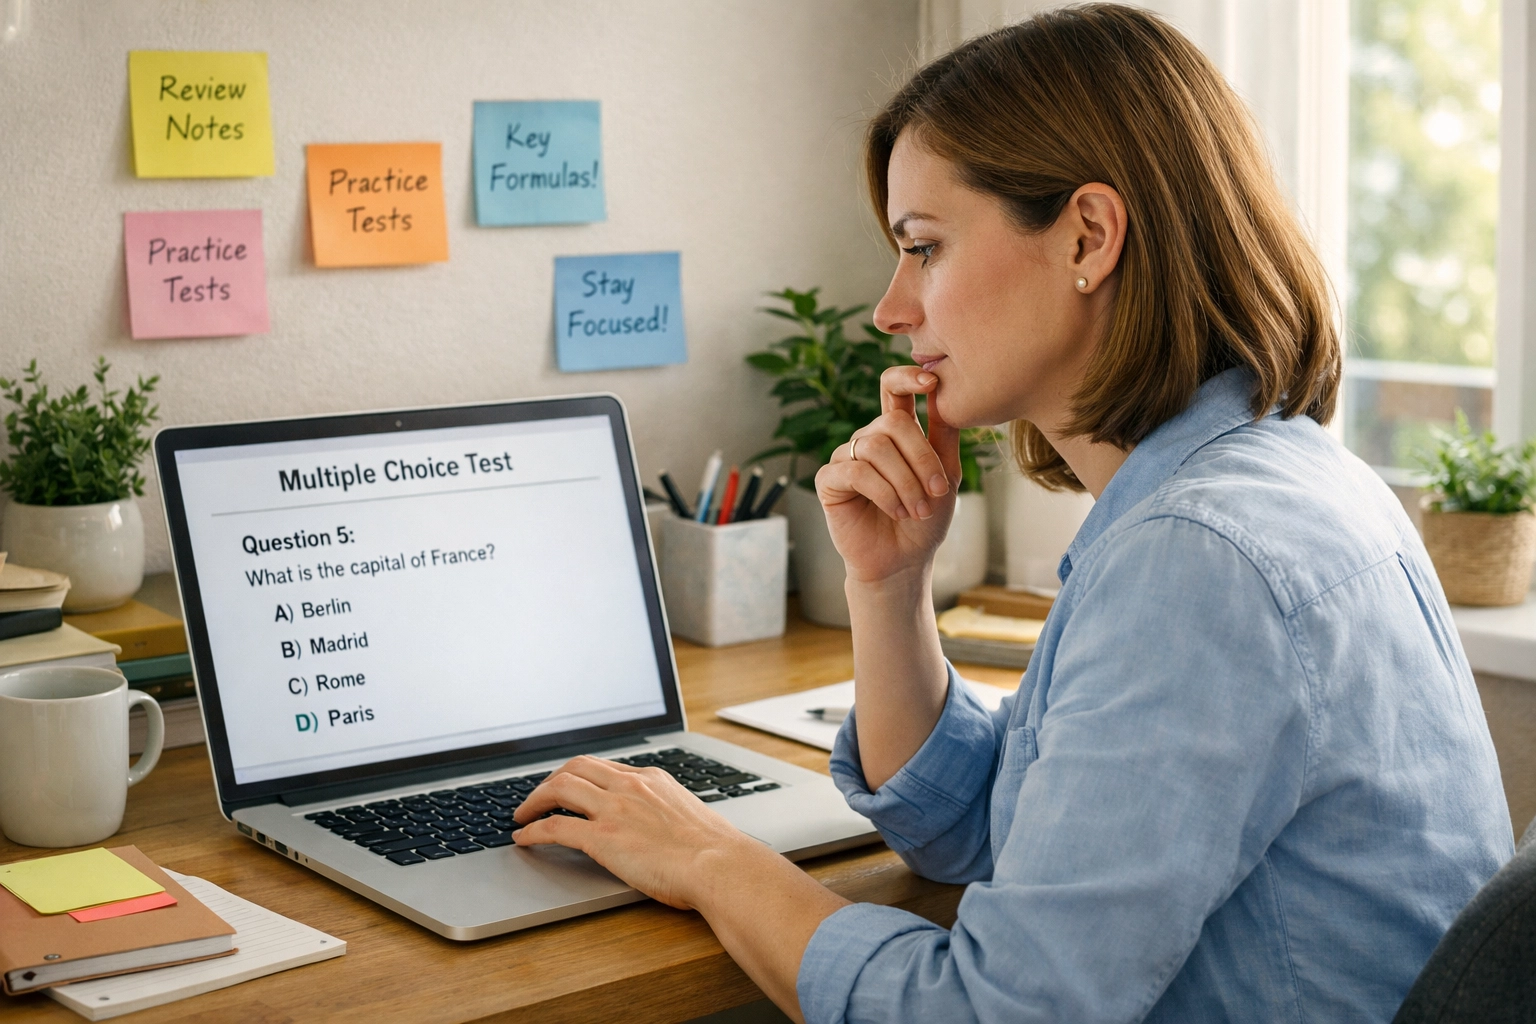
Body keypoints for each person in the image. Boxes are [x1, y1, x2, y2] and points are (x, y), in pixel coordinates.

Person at [511, 5, 1514, 1021]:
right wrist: (891, 587)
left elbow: (989, 1013)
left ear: (1088, 235)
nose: (891, 309)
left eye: (925, 247)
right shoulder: (1273, 474)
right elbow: (999, 830)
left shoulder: (1199, 557)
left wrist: (708, 856)